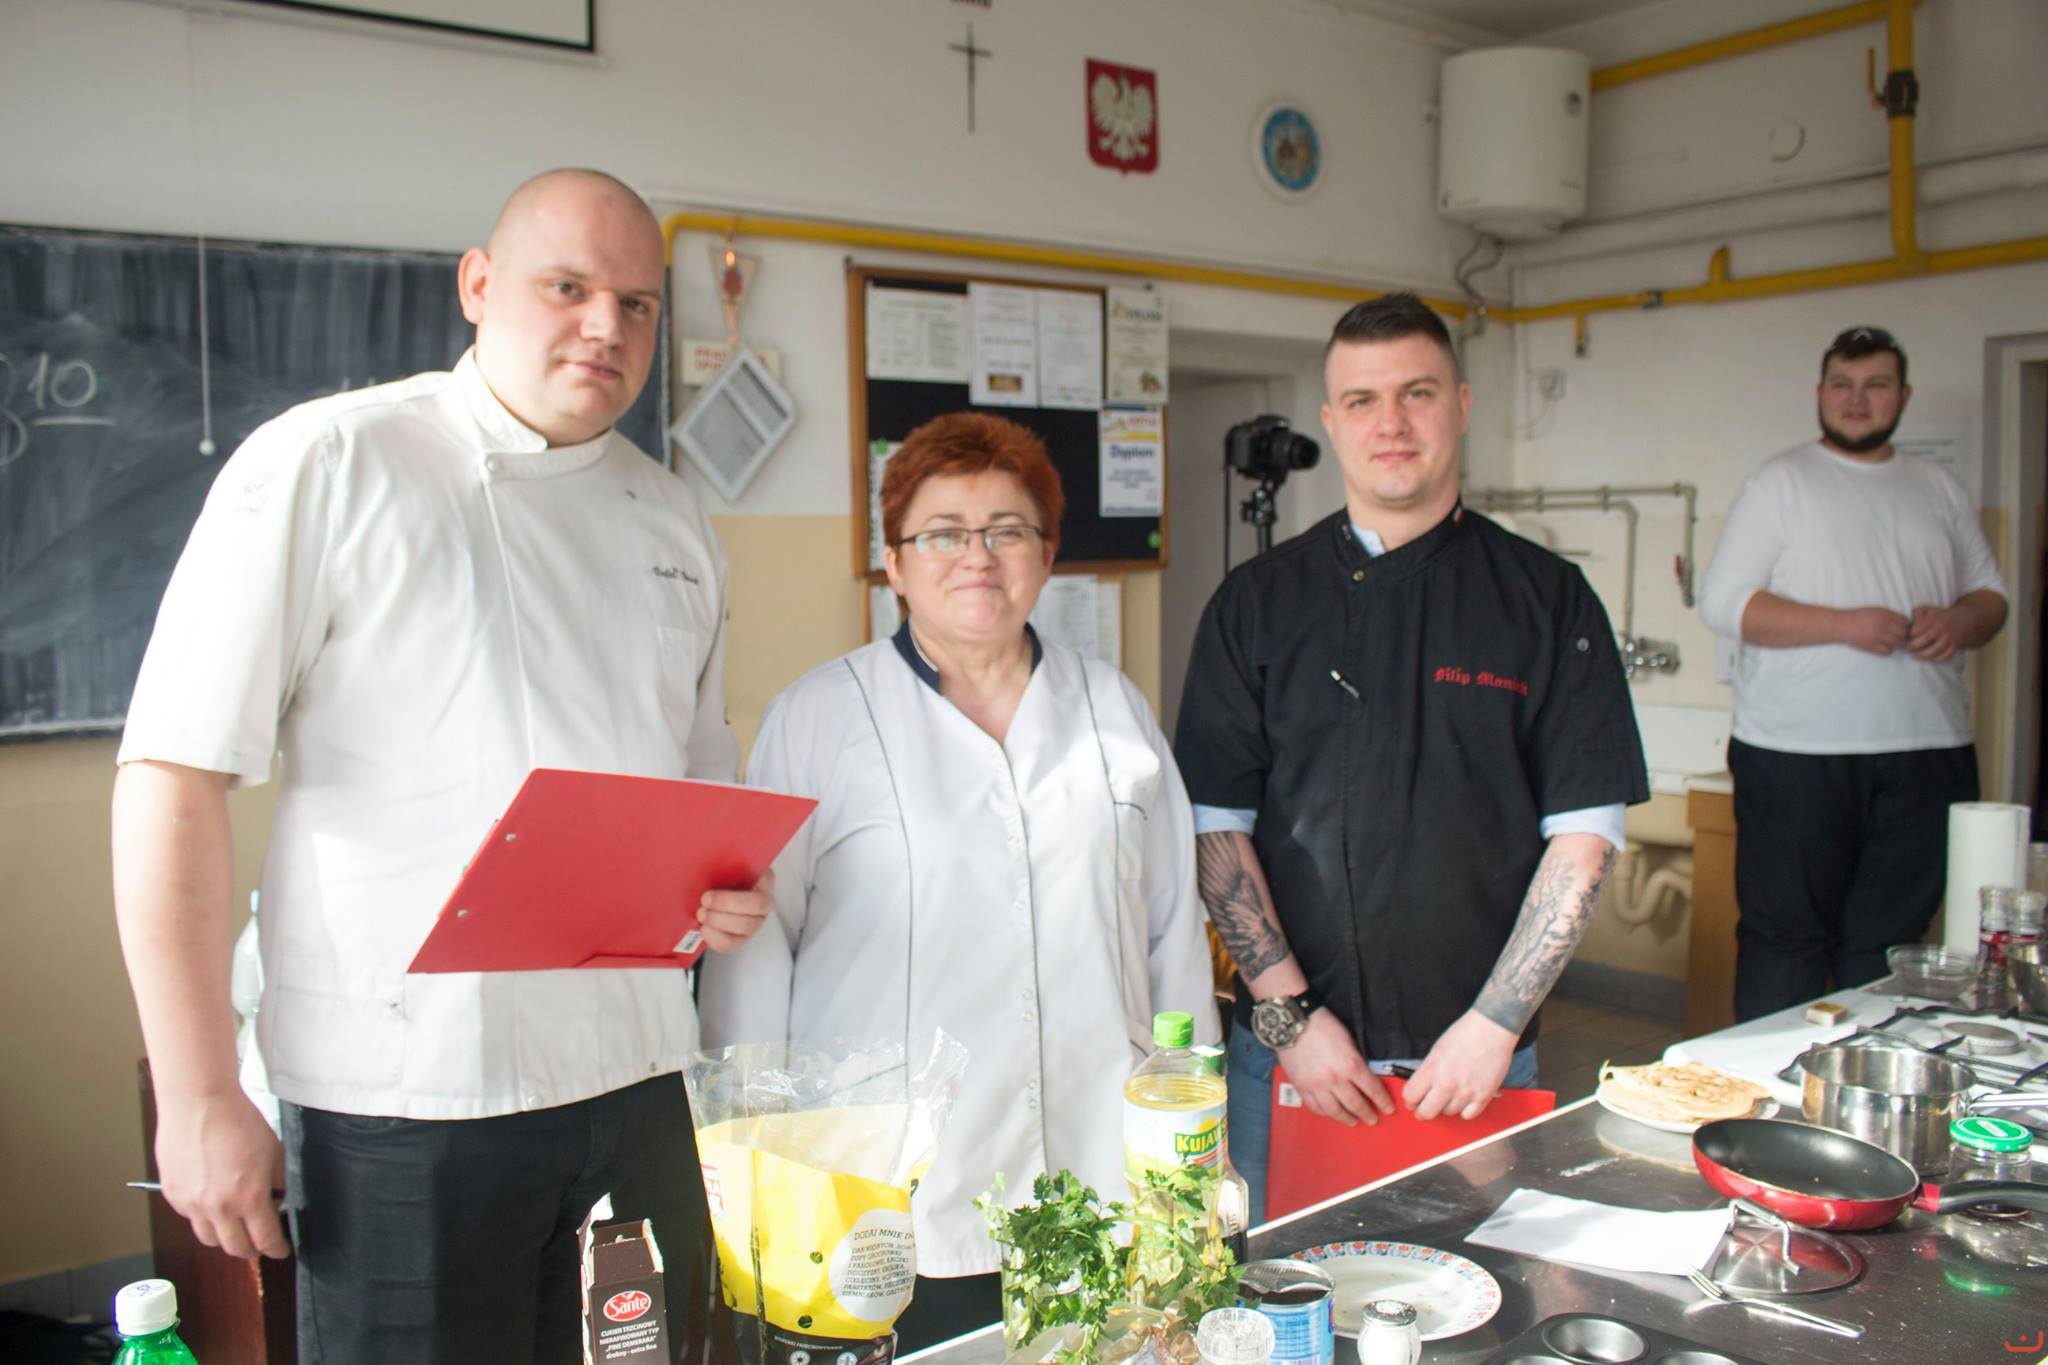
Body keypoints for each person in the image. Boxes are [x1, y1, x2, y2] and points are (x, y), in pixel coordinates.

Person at [110, 168, 769, 1365]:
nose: (605, 327)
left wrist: (723, 887)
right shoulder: (329, 462)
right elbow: (171, 778)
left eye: (635, 304)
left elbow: (691, 790)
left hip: (636, 1079)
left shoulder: (673, 518)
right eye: (565, 288)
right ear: (476, 284)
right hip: (405, 1100)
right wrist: (201, 1096)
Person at [698, 412, 1215, 1353]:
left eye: (1007, 530)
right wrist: (754, 1170)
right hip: (884, 1192)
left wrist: (1190, 1160)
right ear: (893, 562)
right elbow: (755, 959)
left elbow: (1173, 937)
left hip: (1102, 1174)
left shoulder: (1114, 710)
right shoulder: (820, 717)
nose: (977, 556)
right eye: (942, 532)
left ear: (1046, 555)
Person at [1174, 292, 1647, 1222]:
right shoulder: (1255, 605)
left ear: (1461, 406)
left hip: (1479, 1069)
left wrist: (1495, 1023)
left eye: (1417, 393)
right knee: (1277, 1288)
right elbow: (1216, 830)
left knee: (1483, 1289)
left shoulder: (1547, 600)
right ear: (1331, 420)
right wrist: (1291, 1021)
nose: (1390, 422)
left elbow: (1584, 839)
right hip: (1290, 1064)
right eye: (1362, 400)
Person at [1698, 325, 2007, 1021]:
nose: (1857, 399)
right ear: (1821, 392)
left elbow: (1992, 597)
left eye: (1875, 385)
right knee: (1786, 942)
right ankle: (1774, 1078)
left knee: (1892, 947)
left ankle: (1871, 1075)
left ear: (1903, 395)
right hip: (1796, 757)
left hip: (1929, 753)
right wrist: (1845, 624)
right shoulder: (1781, 482)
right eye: (1842, 384)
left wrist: (1961, 621)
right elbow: (1723, 603)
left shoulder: (1938, 487)